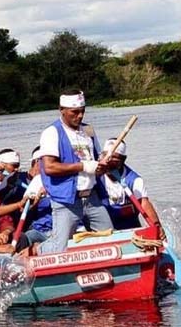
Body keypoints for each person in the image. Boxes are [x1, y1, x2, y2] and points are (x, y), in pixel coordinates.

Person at [37, 90, 113, 254]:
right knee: (60, 249)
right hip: (66, 201)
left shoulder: (88, 130)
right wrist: (84, 166)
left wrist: (103, 163)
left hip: (92, 198)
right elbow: (50, 167)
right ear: (62, 109)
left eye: (83, 111)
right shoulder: (52, 132)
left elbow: (96, 159)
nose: (80, 116)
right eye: (75, 112)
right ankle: (37, 250)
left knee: (109, 238)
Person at [95, 139, 165, 239]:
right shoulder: (94, 176)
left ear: (123, 160)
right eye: (105, 156)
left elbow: (144, 203)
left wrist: (157, 226)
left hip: (129, 227)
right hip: (104, 229)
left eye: (114, 157)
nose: (108, 161)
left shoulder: (135, 180)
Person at [22, 147, 53, 246]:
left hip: (70, 228)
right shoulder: (38, 180)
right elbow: (24, 209)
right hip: (43, 230)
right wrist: (38, 198)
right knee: (27, 237)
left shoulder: (68, 177)